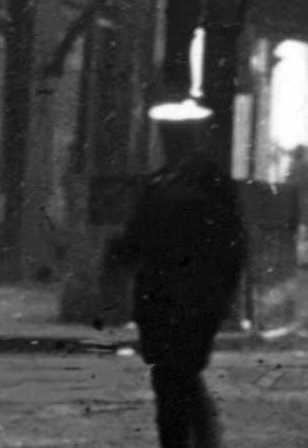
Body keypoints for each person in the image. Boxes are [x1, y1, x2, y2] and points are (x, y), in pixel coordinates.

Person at [110, 118, 248, 448]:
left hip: (165, 297)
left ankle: (189, 440)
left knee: (171, 380)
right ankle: (200, 439)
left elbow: (135, 242)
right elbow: (233, 245)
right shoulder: (210, 181)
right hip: (192, 299)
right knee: (180, 376)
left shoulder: (161, 185)